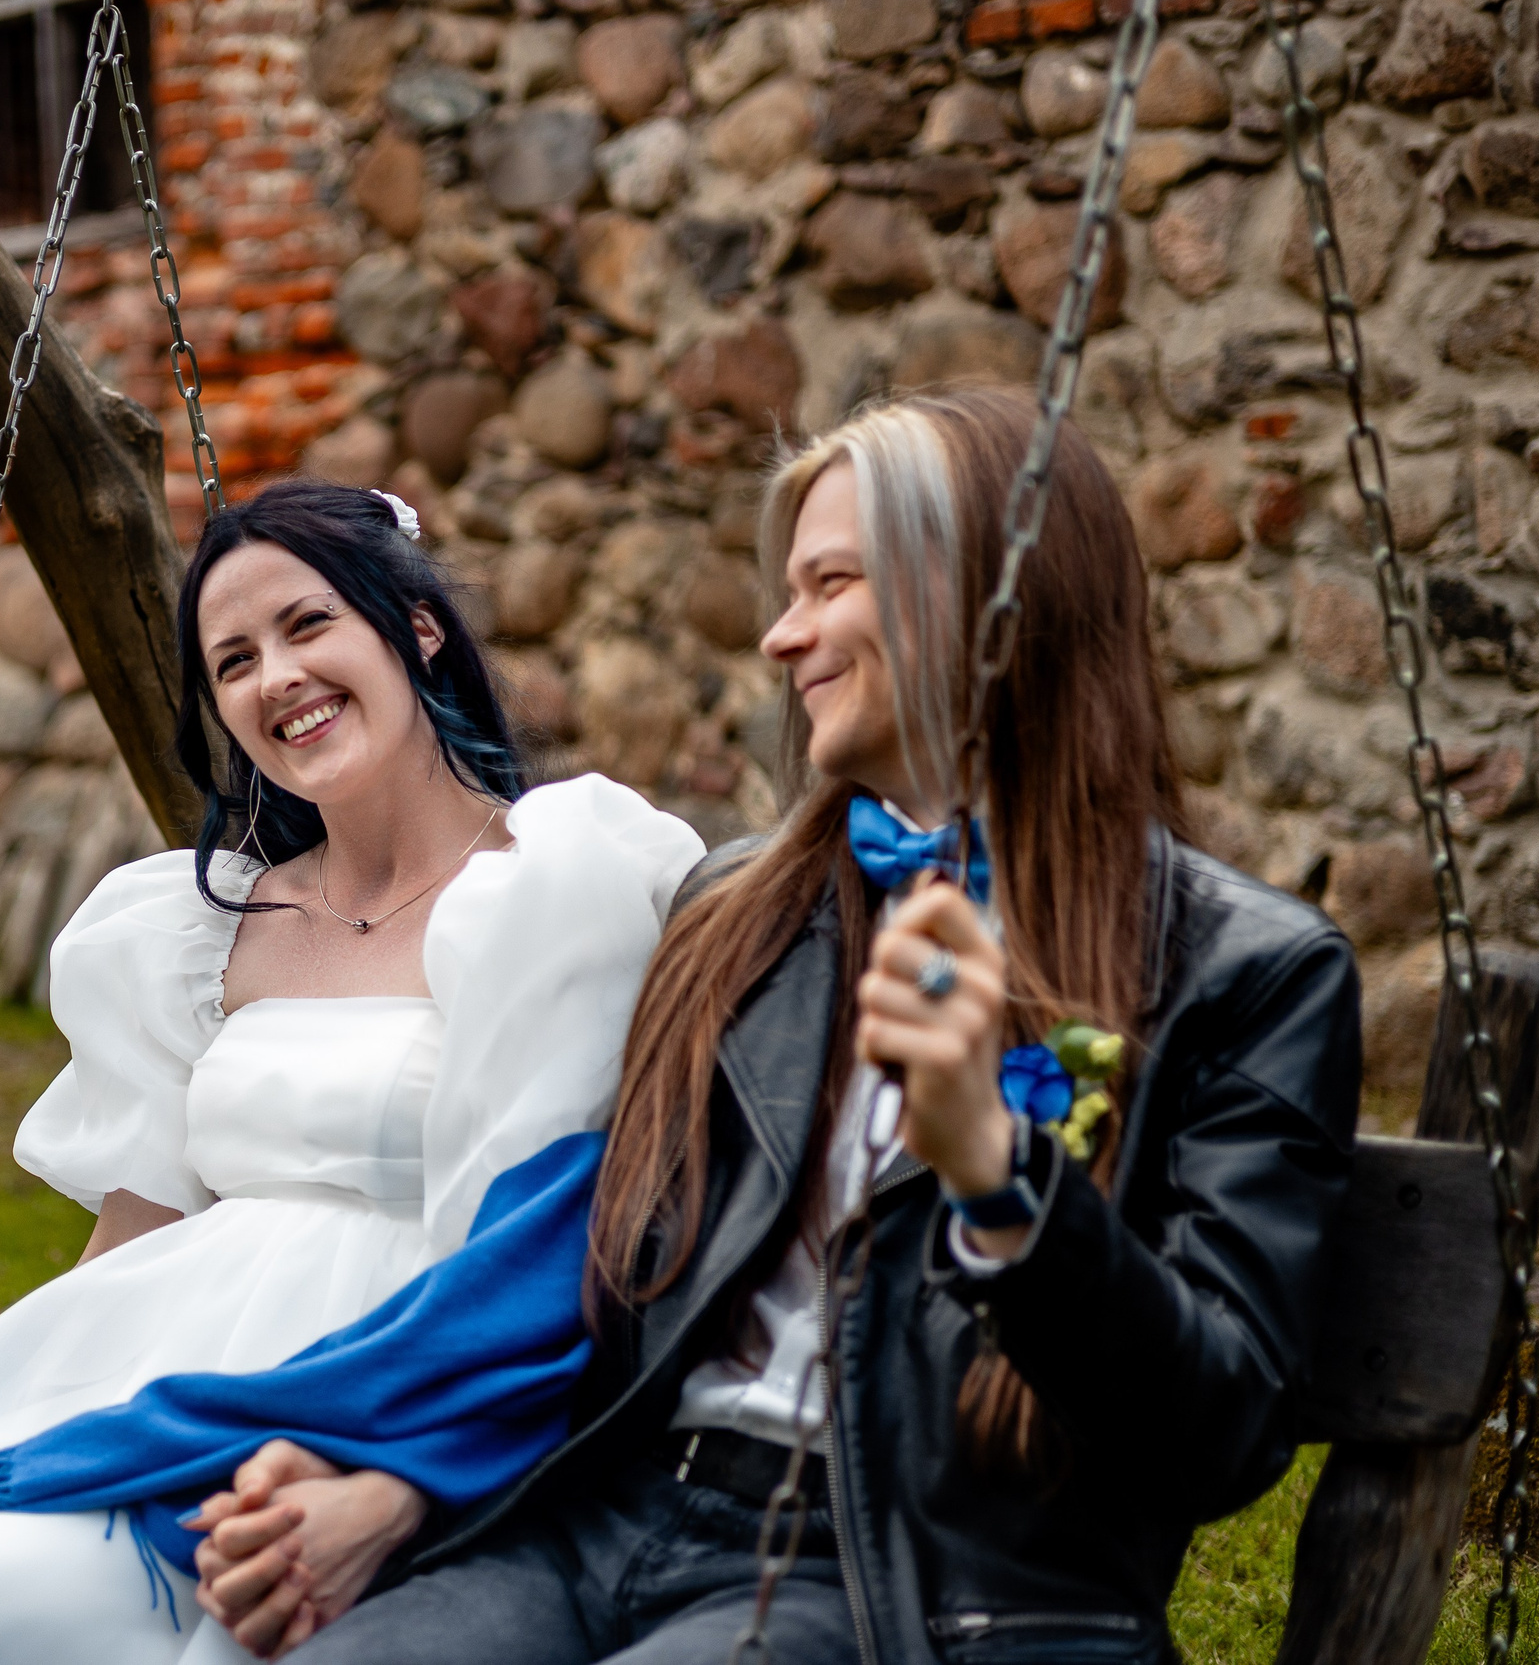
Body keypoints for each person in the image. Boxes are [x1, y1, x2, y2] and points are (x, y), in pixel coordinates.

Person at [191, 388, 1361, 1663]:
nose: (777, 637)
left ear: (984, 599)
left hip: (885, 1569)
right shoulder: (738, 911)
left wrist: (1004, 1181)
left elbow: (1222, 1429)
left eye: (827, 585)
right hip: (604, 1519)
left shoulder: (1241, 973)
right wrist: (403, 1482)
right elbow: (600, 1276)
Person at [0, 481, 703, 1665]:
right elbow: (127, 1252)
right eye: (231, 659)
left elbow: (561, 1235)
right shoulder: (197, 932)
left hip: (357, 1393)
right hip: (149, 1376)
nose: (273, 677)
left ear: (418, 627)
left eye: (307, 626)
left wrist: (397, 1462)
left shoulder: (557, 879)